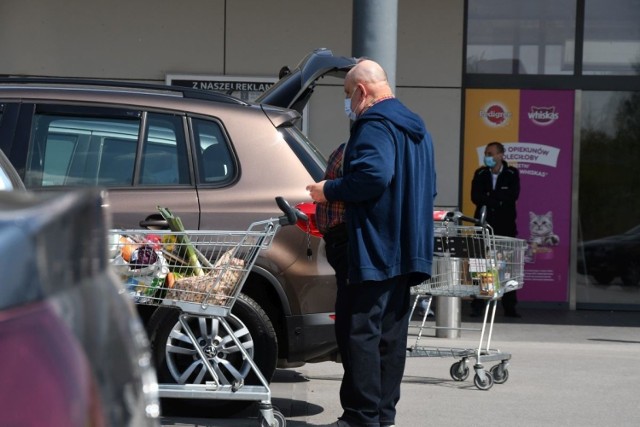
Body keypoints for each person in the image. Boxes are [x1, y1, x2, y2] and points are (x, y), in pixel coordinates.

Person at [306, 59, 437, 427]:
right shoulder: (418, 130)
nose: (348, 103)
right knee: (389, 336)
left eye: (348, 95)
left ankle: (360, 416)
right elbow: (430, 188)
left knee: (358, 332)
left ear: (362, 91)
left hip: (371, 245)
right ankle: (381, 416)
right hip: (406, 249)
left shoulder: (374, 124)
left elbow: (373, 176)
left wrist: (326, 190)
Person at [470, 141, 521, 318]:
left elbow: (512, 195)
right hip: (484, 226)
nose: (488, 157)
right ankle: (478, 305)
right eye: (486, 153)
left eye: (491, 153)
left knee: (507, 267)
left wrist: (490, 198)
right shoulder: (480, 173)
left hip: (505, 226)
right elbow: (476, 197)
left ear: (500, 155)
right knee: (481, 265)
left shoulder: (512, 174)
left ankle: (509, 307)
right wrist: (496, 200)